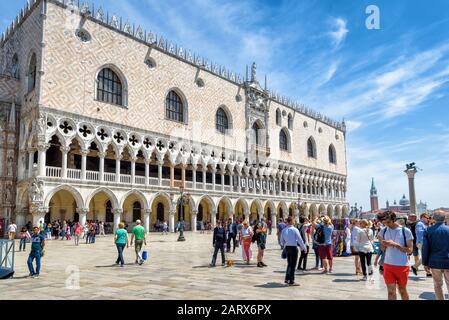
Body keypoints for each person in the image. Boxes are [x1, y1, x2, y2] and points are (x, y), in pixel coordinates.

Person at [379, 211, 413, 300]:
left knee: (402, 290)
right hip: (388, 265)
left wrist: (395, 244)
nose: (387, 224)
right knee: (391, 292)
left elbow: (410, 250)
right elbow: (382, 249)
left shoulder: (405, 231)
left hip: (402, 265)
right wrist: (383, 245)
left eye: (388, 222)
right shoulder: (383, 230)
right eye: (384, 222)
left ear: (394, 219)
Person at [422, 210, 449, 300]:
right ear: (444, 218)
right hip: (448, 261)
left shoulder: (428, 230)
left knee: (437, 285)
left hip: (435, 262)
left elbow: (425, 248)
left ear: (433, 218)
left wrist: (425, 263)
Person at [280, 216, 307, 286]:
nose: (294, 222)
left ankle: (287, 278)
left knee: (289, 264)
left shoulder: (283, 230)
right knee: (293, 265)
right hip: (293, 248)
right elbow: (300, 240)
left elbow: (281, 242)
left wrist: (285, 245)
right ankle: (291, 281)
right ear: (291, 221)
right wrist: (304, 248)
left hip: (287, 248)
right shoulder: (295, 230)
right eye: (294, 221)